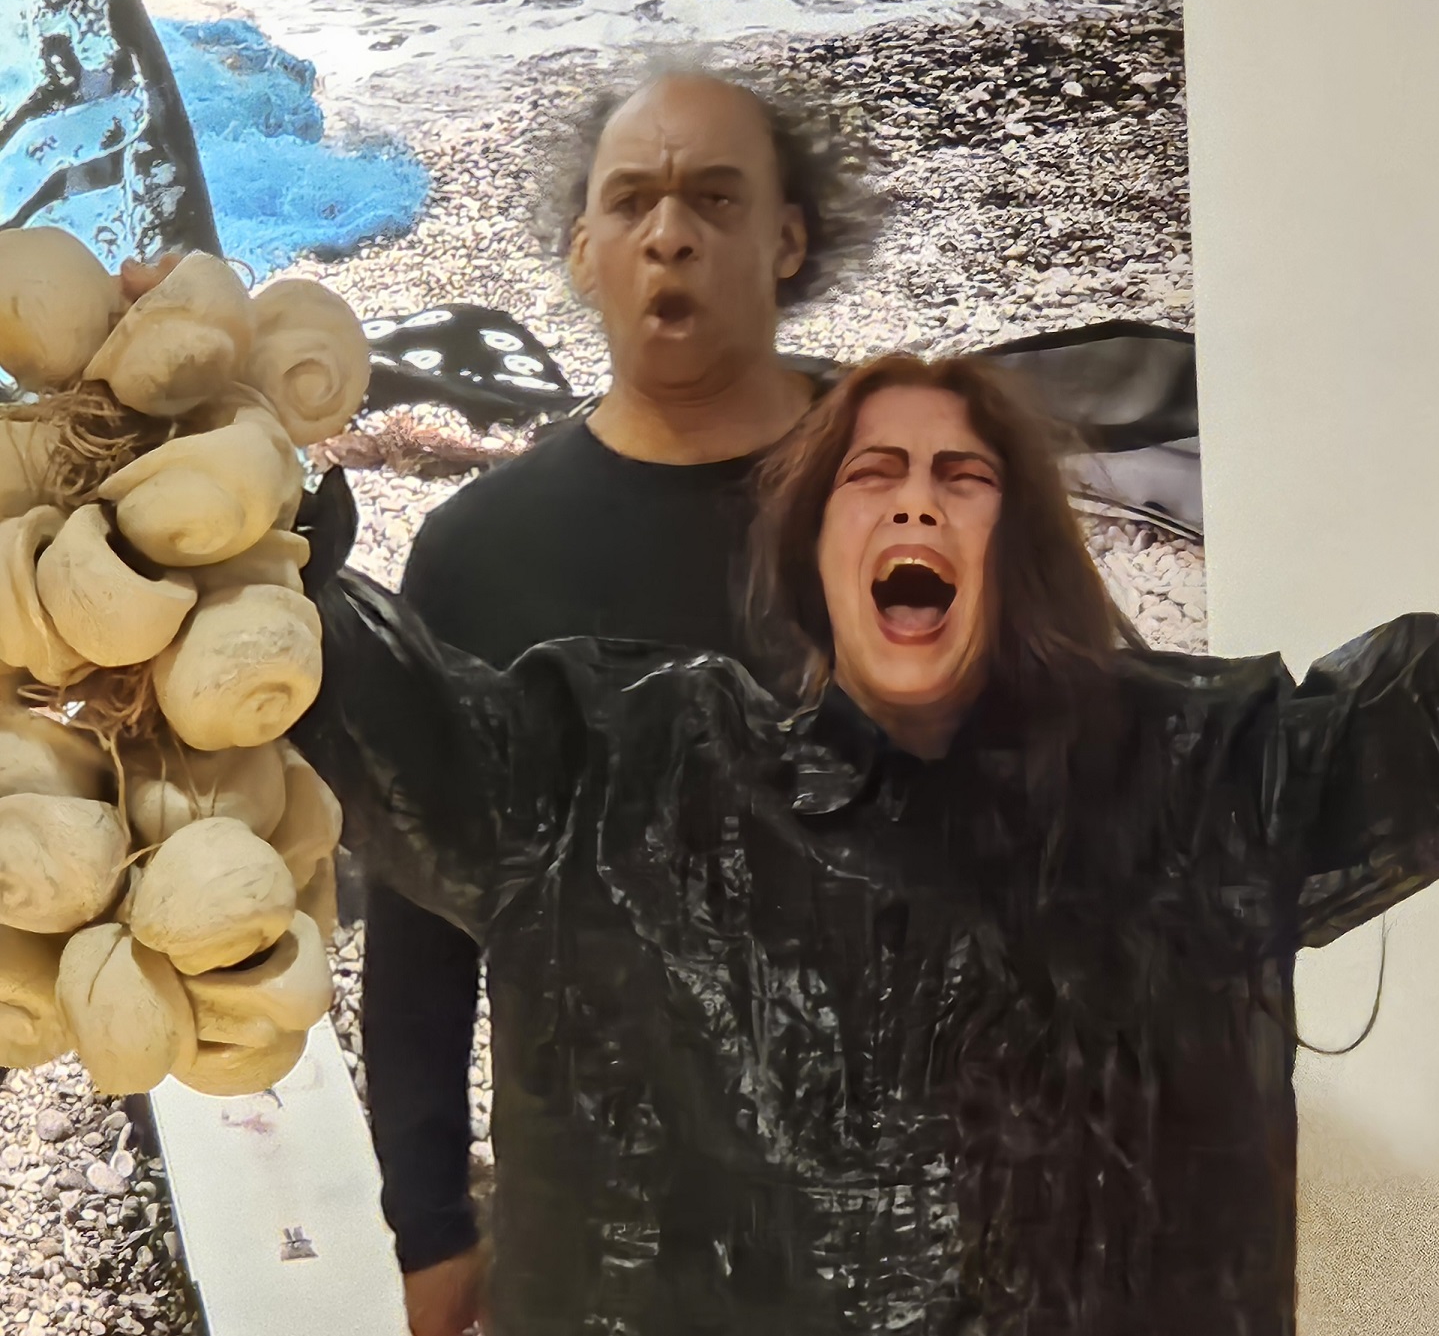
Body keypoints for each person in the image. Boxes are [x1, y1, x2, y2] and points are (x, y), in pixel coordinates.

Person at [291, 204, 1439, 1335]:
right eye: (871, 475)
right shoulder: (625, 779)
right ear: (811, 553)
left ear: (1020, 551)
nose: (914, 502)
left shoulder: (1187, 785)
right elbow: (390, 723)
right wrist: (235, 511)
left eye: (962, 476)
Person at [364, 66, 1197, 1335]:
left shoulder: (917, 499)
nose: (669, 233)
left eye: (714, 197)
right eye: (630, 202)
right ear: (583, 249)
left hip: (939, 1236)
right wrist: (428, 1221)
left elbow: (1097, 813)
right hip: (611, 1246)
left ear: (787, 238)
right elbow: (419, 919)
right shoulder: (479, 557)